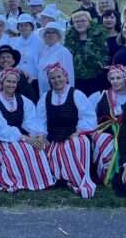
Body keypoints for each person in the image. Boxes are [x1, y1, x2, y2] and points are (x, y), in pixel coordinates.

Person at [0, 68, 56, 192]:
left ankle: (38, 180)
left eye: (14, 82)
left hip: (23, 135)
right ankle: (19, 181)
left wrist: (37, 135)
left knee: (37, 148)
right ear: (2, 83)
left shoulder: (23, 100)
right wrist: (25, 138)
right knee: (18, 151)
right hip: (3, 139)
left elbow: (30, 120)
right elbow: (1, 130)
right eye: (8, 81)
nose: (11, 85)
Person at [35, 63, 97, 198]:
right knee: (41, 147)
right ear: (49, 81)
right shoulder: (45, 97)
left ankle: (75, 178)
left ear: (66, 77)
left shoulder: (76, 94)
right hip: (53, 135)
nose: (57, 80)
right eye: (53, 78)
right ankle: (57, 178)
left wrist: (78, 132)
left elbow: (88, 117)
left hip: (73, 133)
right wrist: (42, 135)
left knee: (76, 144)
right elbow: (40, 120)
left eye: (59, 77)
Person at [88, 65, 126, 185]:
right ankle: (105, 173)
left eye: (118, 78)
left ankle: (122, 172)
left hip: (125, 131)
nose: (115, 81)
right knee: (104, 139)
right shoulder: (100, 95)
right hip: (105, 130)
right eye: (112, 78)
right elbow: (89, 116)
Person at [65, 11, 109, 97]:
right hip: (76, 80)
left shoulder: (100, 38)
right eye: (76, 21)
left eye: (83, 21)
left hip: (96, 80)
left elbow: (104, 60)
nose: (79, 23)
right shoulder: (68, 41)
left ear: (89, 22)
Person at [37, 22, 74, 97]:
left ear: (58, 36)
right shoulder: (43, 52)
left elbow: (69, 75)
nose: (50, 35)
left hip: (60, 93)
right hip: (44, 92)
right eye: (47, 32)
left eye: (53, 32)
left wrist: (69, 95)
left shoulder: (63, 52)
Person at [11, 14, 42, 90]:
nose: (23, 28)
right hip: (18, 78)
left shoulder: (39, 42)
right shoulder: (14, 42)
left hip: (35, 80)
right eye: (21, 25)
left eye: (26, 25)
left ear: (31, 27)